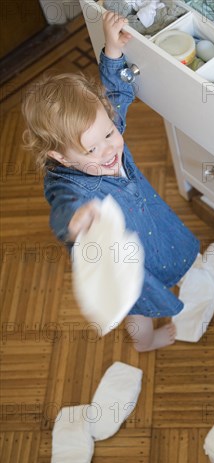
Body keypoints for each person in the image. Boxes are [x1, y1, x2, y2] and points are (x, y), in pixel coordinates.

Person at [22, 11, 200, 351]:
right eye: (91, 148)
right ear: (61, 157)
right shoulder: (68, 185)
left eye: (109, 132)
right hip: (121, 259)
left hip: (150, 224)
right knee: (139, 308)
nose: (108, 149)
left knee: (165, 257)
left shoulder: (105, 131)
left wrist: (112, 51)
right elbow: (63, 207)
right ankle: (145, 342)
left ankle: (166, 283)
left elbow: (116, 93)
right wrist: (76, 220)